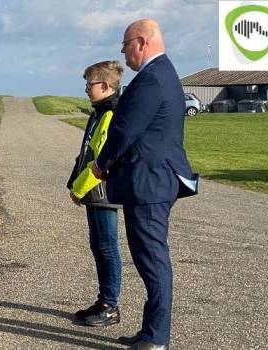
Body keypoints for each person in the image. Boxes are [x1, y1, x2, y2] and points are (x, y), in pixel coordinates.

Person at [92, 19, 198, 350]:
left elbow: (125, 131)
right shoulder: (161, 74)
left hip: (150, 182)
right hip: (152, 179)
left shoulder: (152, 78)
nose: (123, 53)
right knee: (149, 258)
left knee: (152, 260)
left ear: (141, 42)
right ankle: (151, 331)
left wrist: (101, 164)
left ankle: (156, 338)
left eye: (125, 45)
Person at [66, 60, 124, 327]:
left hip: (102, 191)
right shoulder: (98, 111)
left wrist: (79, 189)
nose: (86, 89)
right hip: (92, 190)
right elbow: (86, 151)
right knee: (98, 247)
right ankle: (103, 301)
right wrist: (73, 182)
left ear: (106, 85)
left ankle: (110, 306)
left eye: (90, 84)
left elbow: (101, 158)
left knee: (107, 248)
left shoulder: (112, 113)